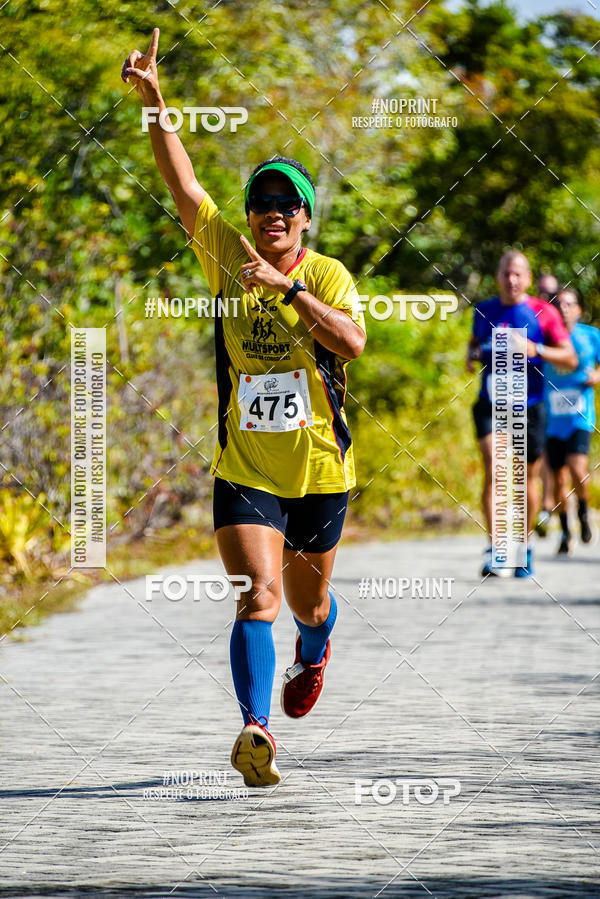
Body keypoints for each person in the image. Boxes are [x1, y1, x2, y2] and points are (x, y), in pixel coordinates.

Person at [122, 30, 366, 787]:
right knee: (255, 594)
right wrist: (157, 105)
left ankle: (315, 647)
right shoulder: (224, 253)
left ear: (304, 218)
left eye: (284, 203)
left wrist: (287, 290)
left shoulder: (326, 273)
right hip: (245, 464)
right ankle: (255, 729)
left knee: (309, 601)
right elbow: (186, 187)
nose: (269, 212)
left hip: (321, 467)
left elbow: (352, 342)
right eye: (261, 200)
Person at [466, 250, 577, 578]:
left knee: (527, 478)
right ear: (497, 277)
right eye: (505, 273)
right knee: (494, 468)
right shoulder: (484, 310)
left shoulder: (543, 312)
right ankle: (496, 549)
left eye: (518, 274)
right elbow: (473, 344)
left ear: (527, 279)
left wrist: (536, 350)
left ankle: (524, 547)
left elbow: (569, 357)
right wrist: (471, 354)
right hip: (491, 403)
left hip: (529, 406)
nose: (511, 280)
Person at [544, 288, 600, 554]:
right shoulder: (545, 339)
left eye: (569, 304)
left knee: (578, 469)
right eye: (558, 305)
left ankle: (584, 511)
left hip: (580, 415)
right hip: (553, 419)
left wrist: (597, 376)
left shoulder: (591, 336)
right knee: (558, 477)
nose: (564, 309)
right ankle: (566, 531)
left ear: (579, 309)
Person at [534, 273, 561, 536]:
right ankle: (545, 507)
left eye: (551, 294)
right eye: (541, 292)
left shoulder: (565, 324)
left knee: (561, 463)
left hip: (565, 404)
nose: (545, 298)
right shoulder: (534, 317)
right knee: (541, 455)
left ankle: (556, 509)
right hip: (538, 398)